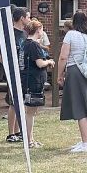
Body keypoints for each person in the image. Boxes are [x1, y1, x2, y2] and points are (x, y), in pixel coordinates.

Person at [58, 11, 87, 153]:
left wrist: (59, 74)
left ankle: (85, 144)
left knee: (81, 108)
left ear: (74, 22)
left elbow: (63, 57)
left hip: (76, 72)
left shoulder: (71, 35)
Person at [19, 20, 54, 149]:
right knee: (31, 112)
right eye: (42, 29)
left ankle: (30, 138)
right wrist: (49, 61)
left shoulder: (24, 44)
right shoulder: (34, 45)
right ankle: (29, 140)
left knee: (29, 111)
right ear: (38, 30)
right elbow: (39, 63)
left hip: (26, 80)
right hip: (33, 81)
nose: (42, 32)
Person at [6, 6, 30, 143]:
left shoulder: (24, 33)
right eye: (28, 16)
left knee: (20, 102)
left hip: (23, 72)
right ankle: (11, 133)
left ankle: (18, 131)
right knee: (13, 103)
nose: (29, 19)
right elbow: (2, 54)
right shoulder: (10, 34)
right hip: (13, 71)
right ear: (22, 18)